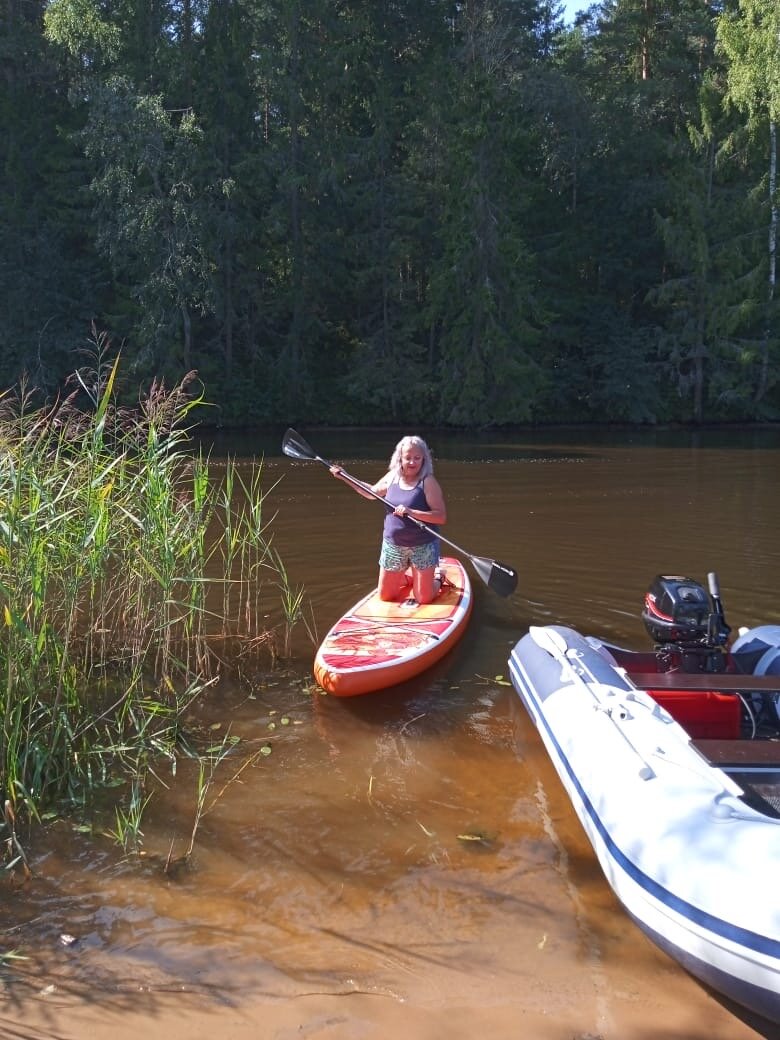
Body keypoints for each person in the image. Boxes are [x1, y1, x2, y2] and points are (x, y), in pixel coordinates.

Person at [330, 435, 447, 605]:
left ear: (424, 459)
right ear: (400, 458)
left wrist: (411, 512)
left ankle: (438, 578)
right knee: (385, 596)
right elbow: (371, 492)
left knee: (424, 598)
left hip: (423, 545)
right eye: (408, 458)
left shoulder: (428, 482)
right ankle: (411, 577)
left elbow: (440, 516)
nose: (412, 462)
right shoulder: (393, 476)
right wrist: (345, 476)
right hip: (394, 544)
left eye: (417, 458)